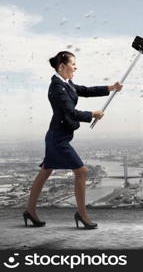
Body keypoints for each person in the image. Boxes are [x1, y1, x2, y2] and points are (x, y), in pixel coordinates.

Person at [23, 51, 123, 229]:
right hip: (57, 139)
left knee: (45, 171)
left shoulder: (66, 83)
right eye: (73, 64)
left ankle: (30, 211)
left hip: (58, 135)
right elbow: (71, 112)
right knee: (82, 171)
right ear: (62, 66)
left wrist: (111, 88)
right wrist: (92, 114)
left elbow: (85, 90)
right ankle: (82, 214)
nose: (76, 67)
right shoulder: (56, 87)